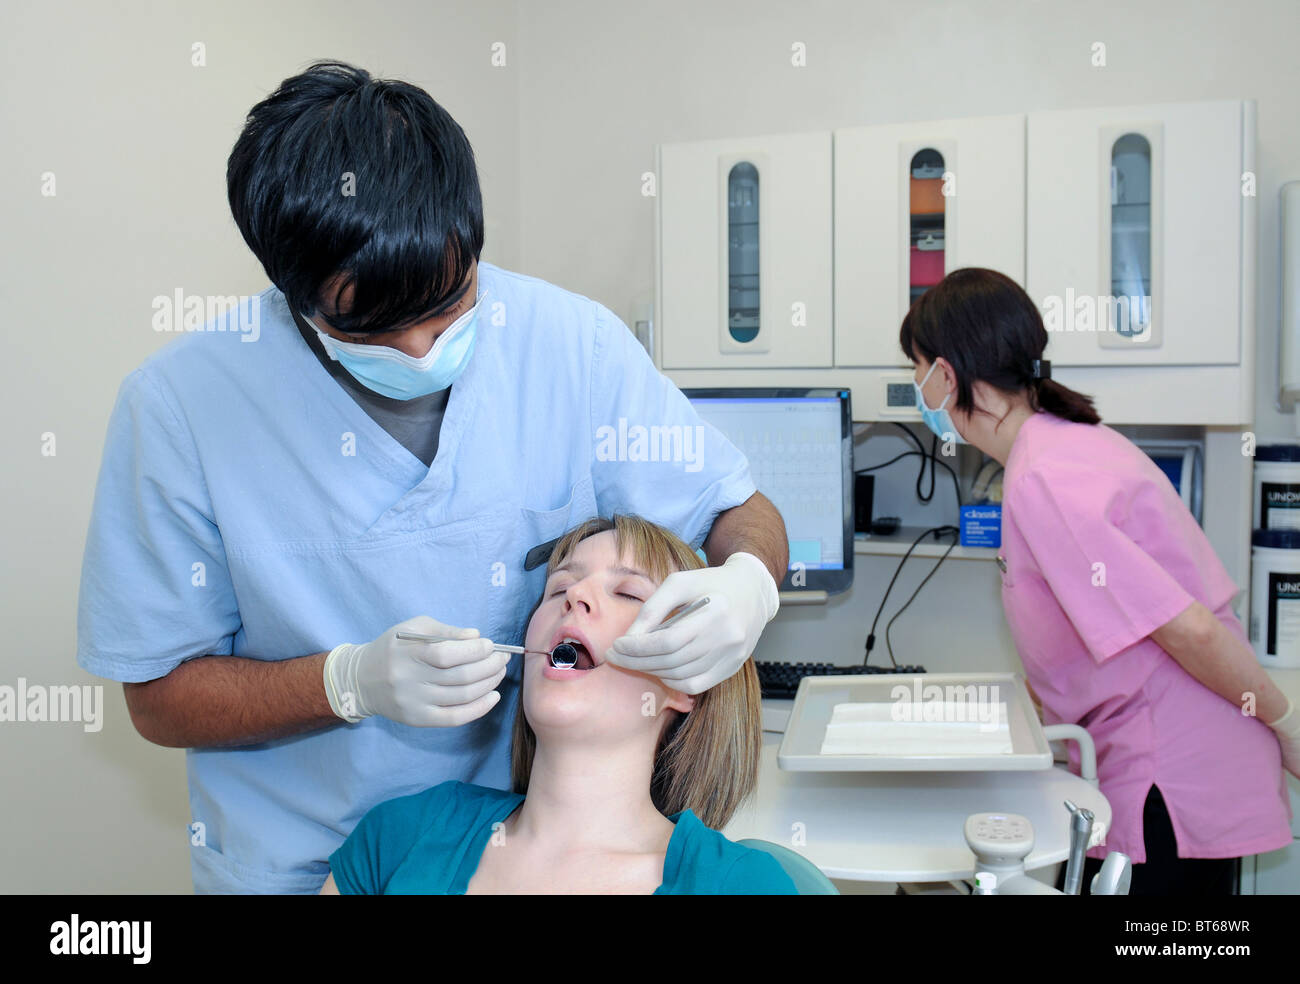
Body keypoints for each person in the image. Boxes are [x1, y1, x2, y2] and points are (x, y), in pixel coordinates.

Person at [76, 61, 788, 894]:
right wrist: (344, 682)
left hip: (511, 844)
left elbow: (737, 510)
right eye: (374, 326)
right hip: (298, 864)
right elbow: (157, 697)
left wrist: (747, 583)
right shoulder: (183, 409)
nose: (420, 349)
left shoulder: (571, 350)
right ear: (293, 294)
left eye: (450, 302)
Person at [900, 267, 1299, 895]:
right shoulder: (1062, 447)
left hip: (1169, 774)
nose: (917, 390)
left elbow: (1187, 627)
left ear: (945, 376)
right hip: (1163, 759)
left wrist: (1286, 723)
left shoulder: (1044, 479)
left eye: (917, 370)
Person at [321, 515, 799, 894]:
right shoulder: (401, 837)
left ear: (687, 681)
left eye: (628, 592)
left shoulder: (743, 885)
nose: (575, 595)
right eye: (557, 588)